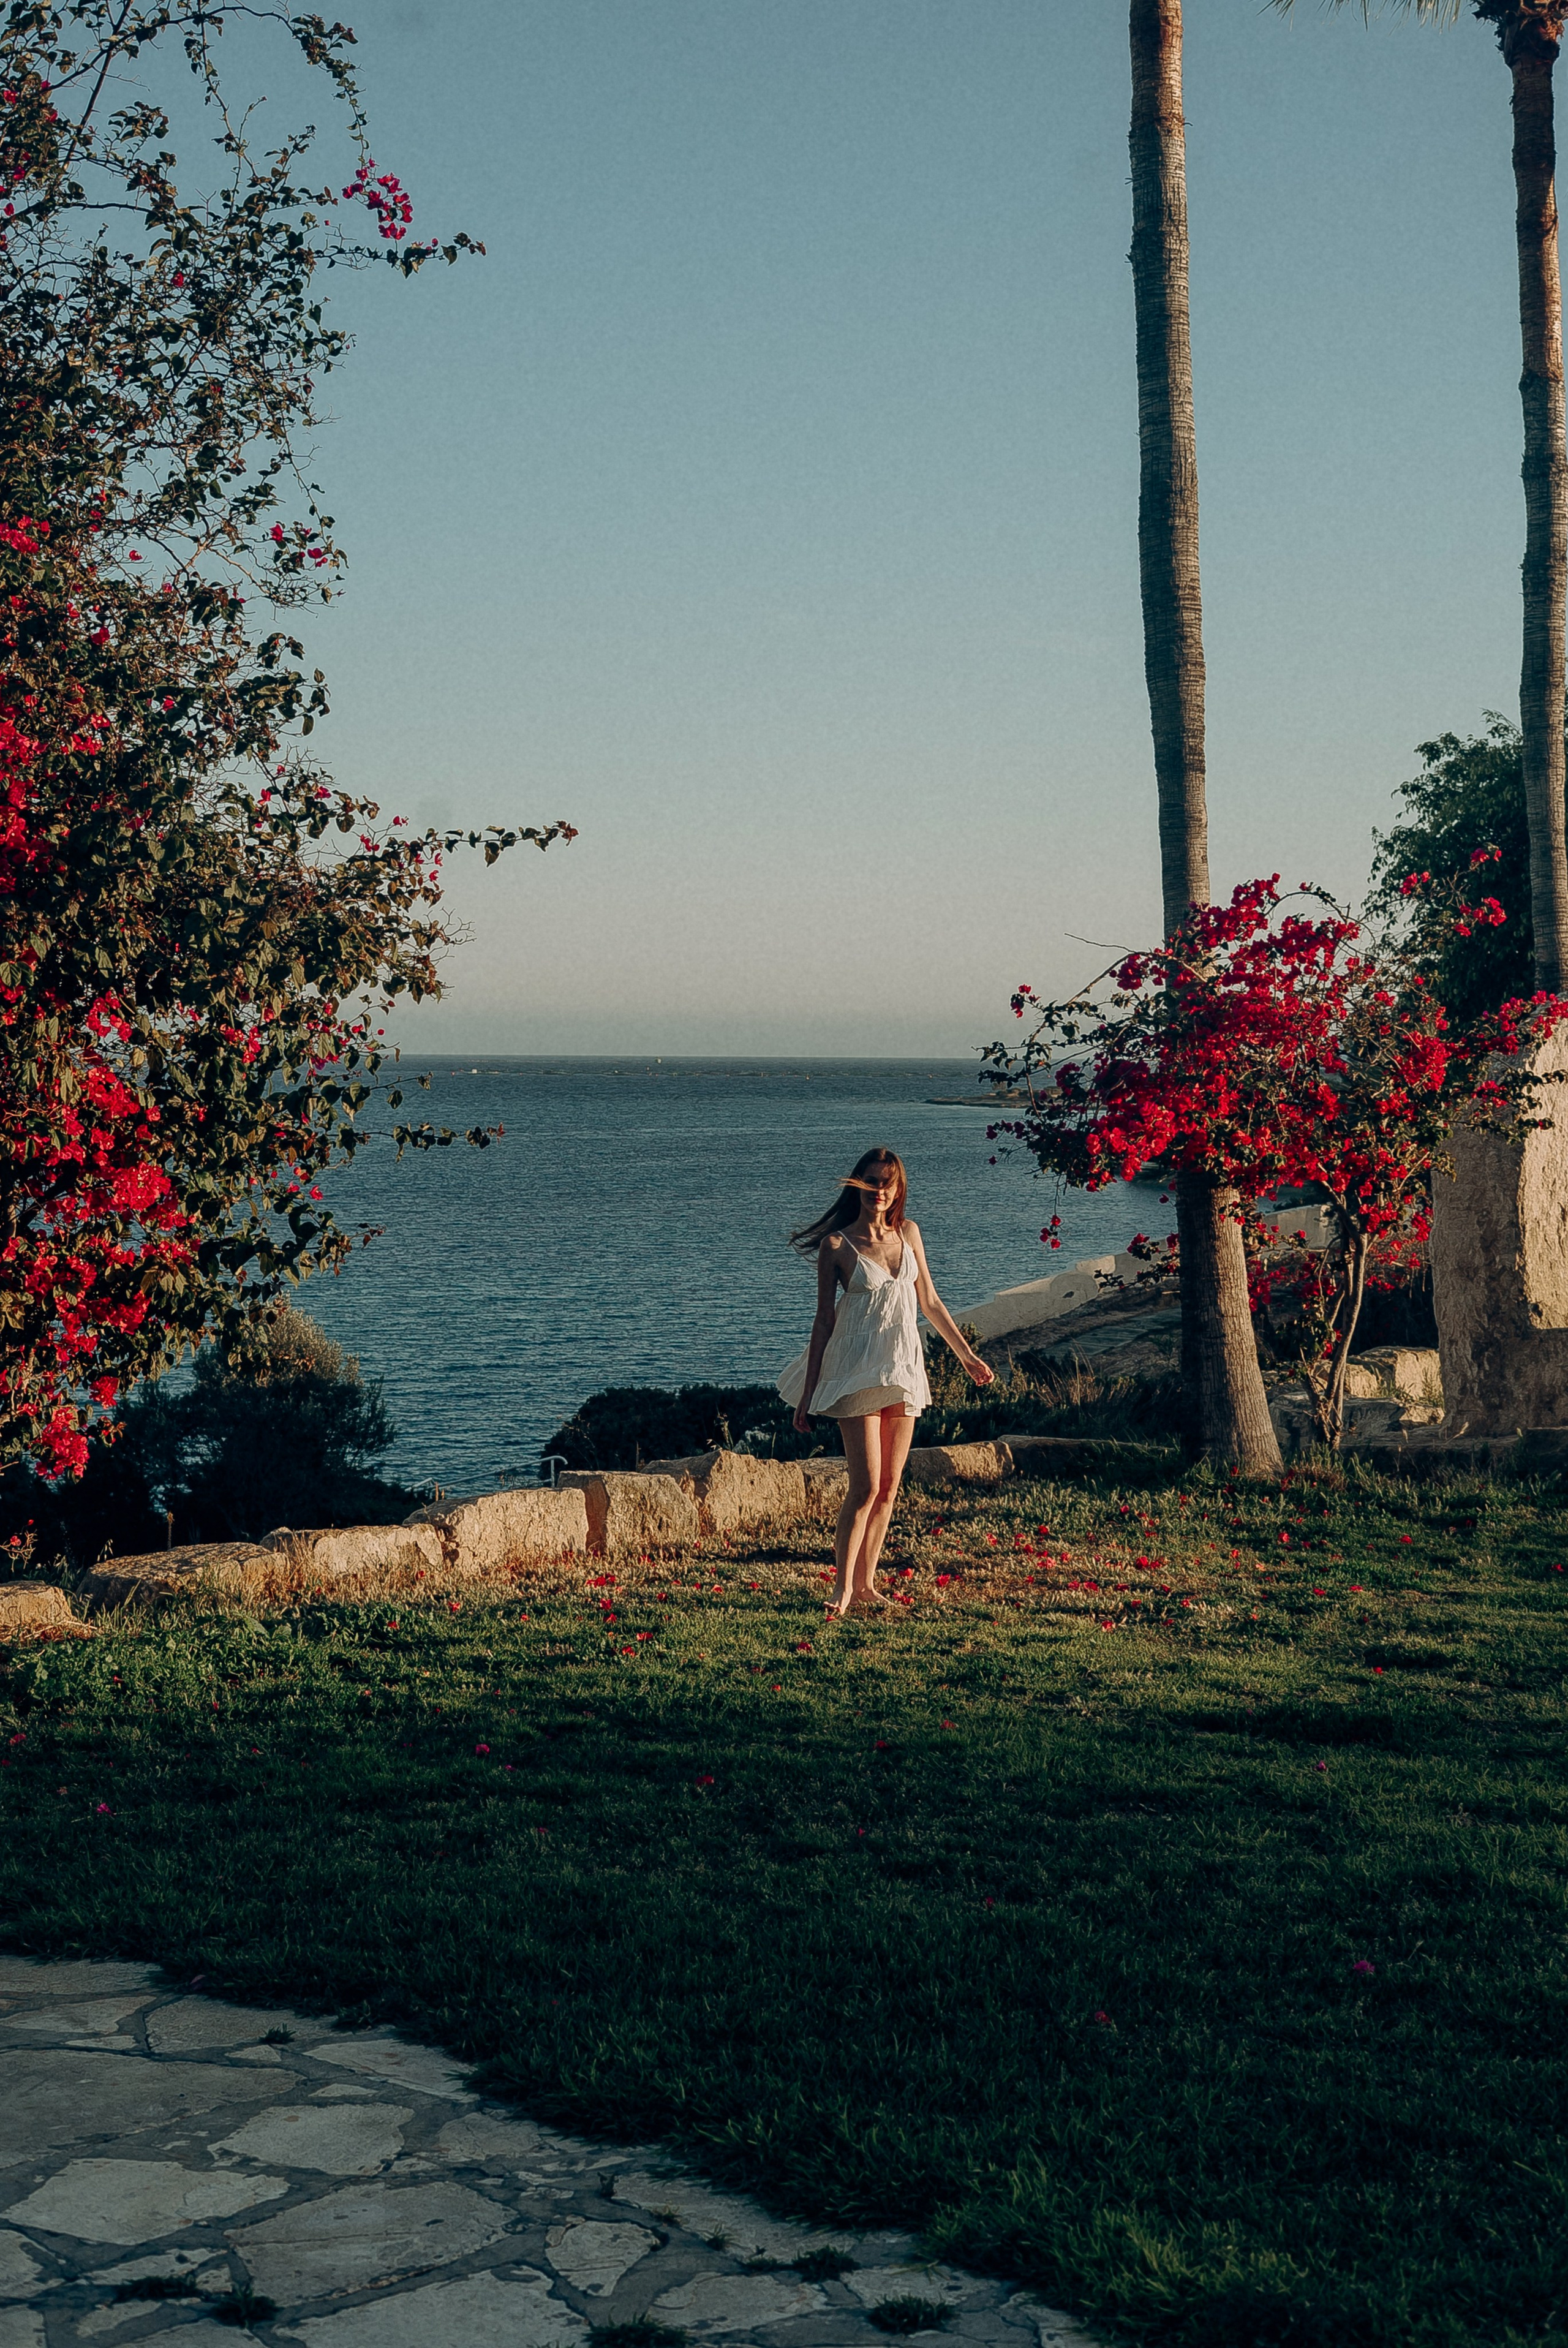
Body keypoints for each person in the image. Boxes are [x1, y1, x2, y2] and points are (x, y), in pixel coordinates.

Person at [778, 1147, 993, 1616]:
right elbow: (824, 1321)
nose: (879, 1190)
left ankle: (866, 1584)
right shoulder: (837, 1246)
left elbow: (930, 1301)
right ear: (858, 1184)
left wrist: (967, 1356)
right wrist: (808, 1392)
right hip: (856, 1369)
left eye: (887, 1183)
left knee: (891, 1485)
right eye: (872, 1181)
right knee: (865, 1486)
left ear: (898, 1190)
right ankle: (841, 1589)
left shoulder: (908, 1233)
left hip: (903, 1366)